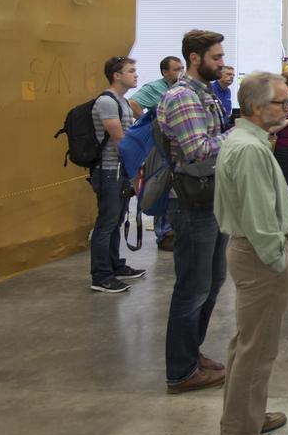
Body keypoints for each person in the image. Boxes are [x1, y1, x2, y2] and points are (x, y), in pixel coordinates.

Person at [215, 71, 288, 435]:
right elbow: (258, 216)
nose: (287, 108)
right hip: (260, 257)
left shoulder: (248, 139)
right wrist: (277, 261)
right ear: (254, 107)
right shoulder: (248, 150)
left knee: (247, 345)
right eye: (280, 103)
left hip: (256, 254)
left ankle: (246, 417)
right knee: (257, 349)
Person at [158, 29, 230, 393]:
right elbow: (198, 149)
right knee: (192, 288)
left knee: (212, 283)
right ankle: (181, 370)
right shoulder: (184, 98)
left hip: (212, 197)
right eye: (215, 58)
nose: (221, 63)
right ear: (194, 58)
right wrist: (239, 135)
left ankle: (192, 352)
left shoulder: (205, 95)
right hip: (192, 202)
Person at [88, 56, 145, 293]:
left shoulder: (122, 102)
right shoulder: (107, 102)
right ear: (117, 75)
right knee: (106, 224)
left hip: (120, 171)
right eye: (131, 71)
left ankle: (114, 265)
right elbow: (120, 139)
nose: (136, 74)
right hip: (109, 171)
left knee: (116, 222)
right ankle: (101, 276)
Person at [130, 55, 185, 250]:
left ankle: (174, 230)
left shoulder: (184, 89)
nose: (180, 72)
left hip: (180, 148)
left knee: (176, 190)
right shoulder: (155, 88)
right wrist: (151, 122)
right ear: (165, 72)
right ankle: (164, 233)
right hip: (160, 150)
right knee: (162, 186)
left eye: (182, 67)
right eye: (176, 69)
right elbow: (133, 103)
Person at [211, 66, 236, 130]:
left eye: (233, 75)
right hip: (214, 127)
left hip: (225, 125)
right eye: (229, 74)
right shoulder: (210, 90)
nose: (232, 77)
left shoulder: (228, 91)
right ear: (220, 75)